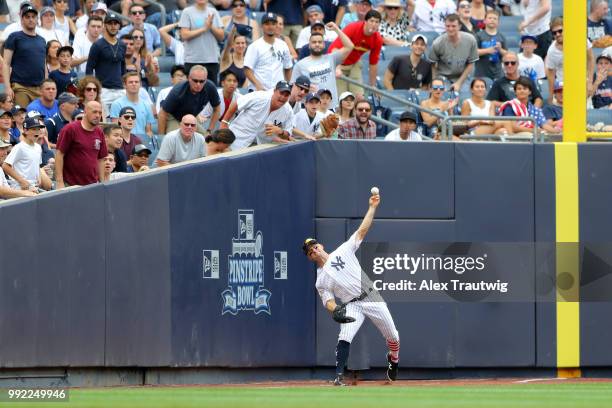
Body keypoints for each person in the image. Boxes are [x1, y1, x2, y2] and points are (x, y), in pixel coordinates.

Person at [302, 191, 400, 386]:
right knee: (345, 335)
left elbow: (362, 230)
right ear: (309, 257)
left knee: (393, 335)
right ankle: (339, 376)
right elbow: (328, 301)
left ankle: (394, 358)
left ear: (321, 245)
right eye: (309, 251)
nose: (313, 249)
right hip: (351, 305)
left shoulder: (343, 250)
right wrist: (335, 309)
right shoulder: (320, 281)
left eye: (314, 246)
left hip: (371, 296)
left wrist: (372, 207)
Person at [292, 22, 354, 108]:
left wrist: (336, 29)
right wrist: (305, 90)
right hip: (311, 108)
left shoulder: (332, 58)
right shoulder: (300, 65)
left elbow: (349, 46)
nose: (317, 44)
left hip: (331, 107)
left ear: (324, 45)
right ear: (309, 45)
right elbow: (293, 89)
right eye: (314, 42)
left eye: (320, 42)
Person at [220, 80, 295, 150]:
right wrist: (224, 123)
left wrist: (280, 131)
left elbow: (288, 134)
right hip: (237, 139)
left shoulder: (288, 111)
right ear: (274, 91)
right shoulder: (260, 96)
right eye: (281, 93)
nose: (283, 97)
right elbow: (236, 103)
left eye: (286, 95)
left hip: (261, 147)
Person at [329, 10, 383, 96]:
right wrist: (336, 67)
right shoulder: (353, 28)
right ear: (365, 21)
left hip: (354, 64)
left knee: (359, 96)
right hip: (339, 64)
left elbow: (373, 63)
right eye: (372, 21)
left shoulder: (377, 39)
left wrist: (373, 86)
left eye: (377, 22)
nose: (374, 24)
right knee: (342, 97)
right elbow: (334, 48)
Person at [3, 3, 46, 108]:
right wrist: (8, 87)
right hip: (20, 87)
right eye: (27, 17)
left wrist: (45, 86)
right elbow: (6, 63)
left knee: (39, 122)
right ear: (22, 20)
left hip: (39, 89)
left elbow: (44, 65)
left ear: (37, 19)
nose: (31, 19)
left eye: (33, 17)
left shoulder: (42, 40)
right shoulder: (14, 37)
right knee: (21, 120)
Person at [55, 101, 107, 188]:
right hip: (71, 185)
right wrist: (60, 182)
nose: (98, 115)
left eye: (100, 112)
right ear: (85, 112)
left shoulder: (99, 132)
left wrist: (102, 182)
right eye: (94, 112)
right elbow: (59, 155)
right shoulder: (70, 129)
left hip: (92, 185)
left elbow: (101, 159)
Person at [159, 65, 220, 135]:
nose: (198, 84)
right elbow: (162, 113)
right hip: (174, 117)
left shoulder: (210, 87)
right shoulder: (178, 91)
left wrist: (210, 130)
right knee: (174, 138)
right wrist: (161, 137)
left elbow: (217, 109)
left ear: (206, 80)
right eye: (195, 80)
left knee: (207, 140)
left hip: (191, 117)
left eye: (202, 81)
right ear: (189, 79)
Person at [86, 12, 126, 114]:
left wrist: (124, 84)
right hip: (103, 90)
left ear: (119, 26)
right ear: (105, 25)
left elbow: (123, 67)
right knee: (104, 123)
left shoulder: (122, 45)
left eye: (116, 23)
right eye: (110, 23)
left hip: (120, 90)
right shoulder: (97, 45)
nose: (113, 26)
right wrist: (93, 90)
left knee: (121, 122)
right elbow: (89, 69)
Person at [428, 13, 478, 92]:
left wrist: (459, 83)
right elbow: (433, 64)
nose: (450, 29)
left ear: (459, 27)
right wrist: (435, 82)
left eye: (453, 26)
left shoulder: (470, 40)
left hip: (462, 76)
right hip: (443, 76)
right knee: (442, 93)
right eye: (448, 26)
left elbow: (471, 63)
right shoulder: (438, 43)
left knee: (467, 93)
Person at [243, 12, 293, 91]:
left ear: (276, 25)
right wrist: (257, 85)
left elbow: (288, 67)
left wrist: (288, 85)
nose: (270, 27)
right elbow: (247, 69)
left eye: (273, 24)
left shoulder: (283, 45)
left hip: (277, 92)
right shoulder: (254, 46)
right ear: (261, 26)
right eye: (267, 24)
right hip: (258, 91)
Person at [179, 0, 224, 85]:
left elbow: (221, 36)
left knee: (210, 91)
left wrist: (211, 27)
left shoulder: (213, 11)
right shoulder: (187, 12)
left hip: (211, 60)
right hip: (192, 60)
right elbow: (184, 35)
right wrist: (204, 29)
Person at [2, 116, 52, 191]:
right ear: (25, 130)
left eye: (38, 129)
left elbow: (37, 165)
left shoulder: (38, 147)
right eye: (34, 129)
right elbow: (5, 166)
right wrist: (21, 181)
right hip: (20, 188)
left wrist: (38, 177)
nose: (37, 132)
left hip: (34, 187)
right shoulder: (19, 147)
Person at [110, 72, 155, 138]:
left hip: (141, 143)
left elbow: (148, 131)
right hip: (123, 142)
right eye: (131, 82)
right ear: (124, 85)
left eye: (136, 82)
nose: (134, 84)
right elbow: (116, 129)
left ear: (140, 84)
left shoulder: (147, 105)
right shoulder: (117, 104)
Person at [474, 10, 506, 80]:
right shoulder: (478, 35)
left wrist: (500, 49)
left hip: (498, 74)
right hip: (481, 74)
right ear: (484, 21)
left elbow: (507, 55)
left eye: (495, 19)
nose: (492, 20)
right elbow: (473, 53)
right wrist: (488, 50)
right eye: (490, 18)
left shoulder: (501, 36)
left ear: (498, 22)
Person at [545, 17, 563, 104]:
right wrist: (551, 96)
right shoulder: (552, 51)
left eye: (560, 31)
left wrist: (589, 81)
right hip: (563, 88)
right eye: (554, 33)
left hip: (581, 83)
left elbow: (590, 58)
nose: (558, 34)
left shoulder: (579, 38)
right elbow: (551, 74)